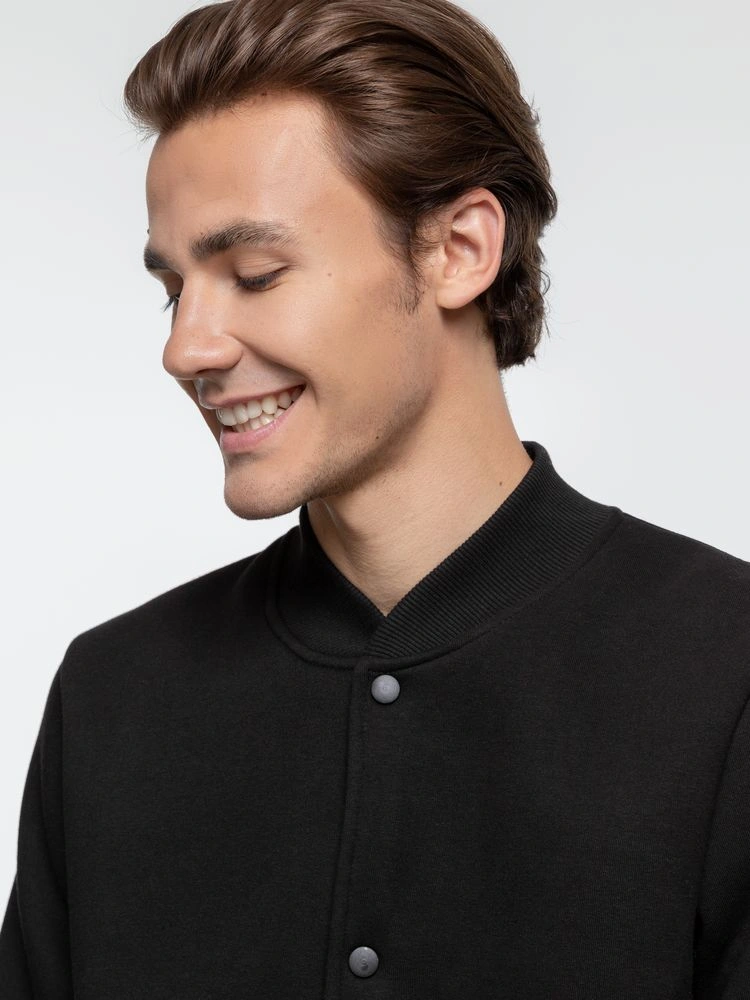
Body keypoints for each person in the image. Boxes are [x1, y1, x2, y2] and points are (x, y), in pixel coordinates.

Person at [1, 0, 748, 996]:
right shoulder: (112, 699)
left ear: (459, 250)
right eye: (174, 288)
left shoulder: (727, 670)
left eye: (256, 274)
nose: (184, 348)